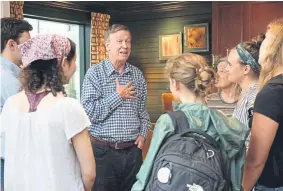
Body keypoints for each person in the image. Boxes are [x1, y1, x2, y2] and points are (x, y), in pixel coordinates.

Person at [132, 53, 249, 191]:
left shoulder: (168, 122)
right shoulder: (227, 124)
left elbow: (147, 174)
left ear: (175, 83)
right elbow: (235, 180)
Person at [1, 34, 96, 191]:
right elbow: (89, 173)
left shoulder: (10, 105)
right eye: (74, 61)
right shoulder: (68, 107)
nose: (75, 66)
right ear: (63, 63)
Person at [81, 24, 151, 191]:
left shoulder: (137, 74)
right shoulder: (94, 74)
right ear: (107, 45)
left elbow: (143, 111)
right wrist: (117, 96)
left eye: (128, 41)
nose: (125, 46)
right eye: (120, 41)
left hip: (132, 152)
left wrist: (143, 132)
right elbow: (89, 113)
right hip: (103, 154)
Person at [242, 18, 283, 191]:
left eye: (266, 38)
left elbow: (256, 161)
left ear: (276, 49)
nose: (260, 43)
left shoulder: (272, 93)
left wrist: (242, 188)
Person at [0, 17, 33, 190]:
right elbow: (30, 114)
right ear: (11, 45)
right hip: (6, 158)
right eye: (26, 45)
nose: (30, 51)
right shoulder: (6, 77)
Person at [225, 34, 265, 149]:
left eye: (229, 64)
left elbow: (255, 143)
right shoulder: (245, 93)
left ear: (246, 69)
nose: (226, 69)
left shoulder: (254, 96)